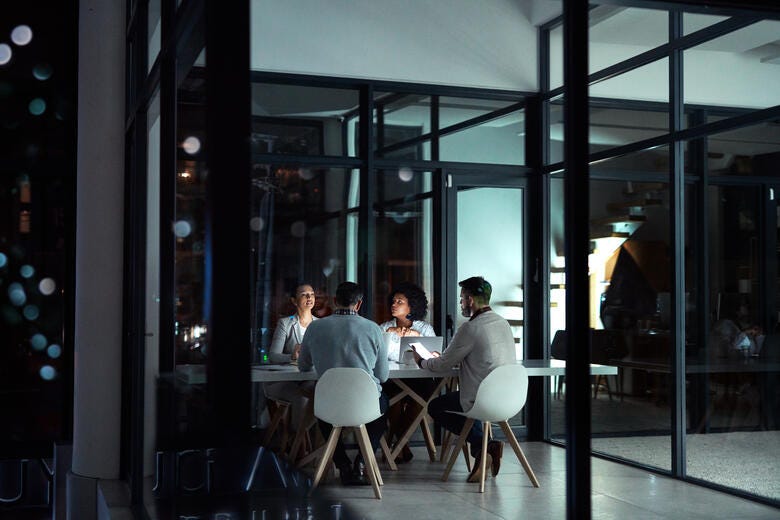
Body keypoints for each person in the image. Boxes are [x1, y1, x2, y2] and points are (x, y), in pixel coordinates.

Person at [412, 276, 514, 483]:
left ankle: (484, 446)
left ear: (470, 300)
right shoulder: (503, 323)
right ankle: (484, 449)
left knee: (435, 407)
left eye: (461, 299)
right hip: (508, 398)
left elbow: (442, 365)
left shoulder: (470, 328)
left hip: (481, 399)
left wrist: (421, 361)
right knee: (468, 400)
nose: (460, 303)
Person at [299, 281, 389, 486]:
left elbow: (303, 366)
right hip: (365, 404)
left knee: (324, 416)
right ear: (359, 304)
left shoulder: (315, 327)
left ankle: (343, 465)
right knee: (382, 409)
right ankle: (362, 462)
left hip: (328, 403)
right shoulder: (373, 329)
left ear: (334, 301)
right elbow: (382, 376)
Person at [378, 282, 435, 463]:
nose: (394, 304)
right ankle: (402, 446)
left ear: (412, 306)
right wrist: (389, 334)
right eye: (393, 301)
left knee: (420, 397)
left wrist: (416, 336)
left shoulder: (424, 329)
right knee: (392, 400)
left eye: (400, 302)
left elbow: (433, 355)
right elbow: (378, 356)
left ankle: (398, 445)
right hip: (392, 379)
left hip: (418, 378)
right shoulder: (384, 328)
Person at [263, 283, 317, 450]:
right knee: (302, 398)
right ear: (294, 301)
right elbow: (273, 356)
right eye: (304, 294)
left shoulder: (321, 325)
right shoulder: (285, 323)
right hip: (284, 381)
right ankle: (297, 444)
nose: (309, 297)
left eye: (311, 294)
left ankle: (300, 441)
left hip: (308, 378)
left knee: (320, 393)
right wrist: (291, 356)